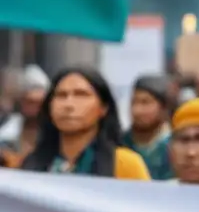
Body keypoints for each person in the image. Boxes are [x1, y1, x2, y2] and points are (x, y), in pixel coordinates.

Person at [20, 67, 150, 179]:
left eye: (81, 95)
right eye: (61, 95)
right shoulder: (32, 164)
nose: (68, 104)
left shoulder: (124, 164)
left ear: (103, 108)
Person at [122, 75, 173, 179]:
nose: (137, 110)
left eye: (145, 103)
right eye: (133, 102)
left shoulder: (175, 146)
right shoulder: (118, 143)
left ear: (164, 108)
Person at [0, 65, 48, 168]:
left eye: (39, 103)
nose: (35, 108)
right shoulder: (5, 127)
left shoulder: (54, 134)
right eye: (30, 102)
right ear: (22, 101)